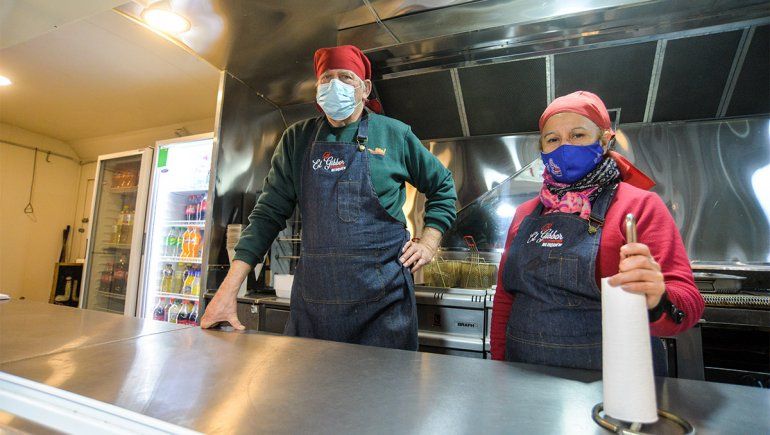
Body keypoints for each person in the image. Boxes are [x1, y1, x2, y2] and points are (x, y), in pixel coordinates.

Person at [201, 45, 457, 351]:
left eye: (346, 77)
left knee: (384, 395)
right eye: (326, 78)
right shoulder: (297, 139)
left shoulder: (394, 135)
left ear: (365, 88)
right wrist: (228, 290)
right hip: (315, 305)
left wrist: (429, 241)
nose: (335, 85)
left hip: (384, 306)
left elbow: (443, 185)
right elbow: (267, 215)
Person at [490, 91, 704, 371]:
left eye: (578, 135)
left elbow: (688, 300)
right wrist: (497, 367)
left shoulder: (639, 206)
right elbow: (506, 297)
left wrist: (659, 300)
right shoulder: (525, 213)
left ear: (604, 141)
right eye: (553, 139)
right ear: (542, 149)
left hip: (612, 386)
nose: (564, 147)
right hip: (523, 380)